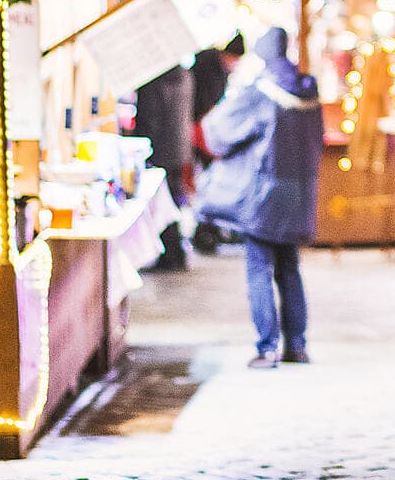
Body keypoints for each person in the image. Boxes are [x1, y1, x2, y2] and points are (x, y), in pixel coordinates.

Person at [197, 28, 326, 370]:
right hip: (299, 193)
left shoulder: (260, 91)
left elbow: (219, 133)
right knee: (290, 268)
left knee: (259, 269)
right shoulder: (310, 90)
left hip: (262, 195)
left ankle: (267, 348)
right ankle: (297, 346)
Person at [188, 35, 246, 255]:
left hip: (200, 131)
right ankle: (207, 228)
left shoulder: (209, 64)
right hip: (202, 132)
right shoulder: (213, 70)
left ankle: (208, 227)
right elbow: (210, 105)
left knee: (206, 182)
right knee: (208, 182)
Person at [132, 65, 193, 271]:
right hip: (179, 147)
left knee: (162, 203)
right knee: (172, 201)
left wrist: (140, 146)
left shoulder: (154, 79)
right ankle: (175, 254)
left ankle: (169, 255)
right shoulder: (184, 75)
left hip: (159, 148)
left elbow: (148, 118)